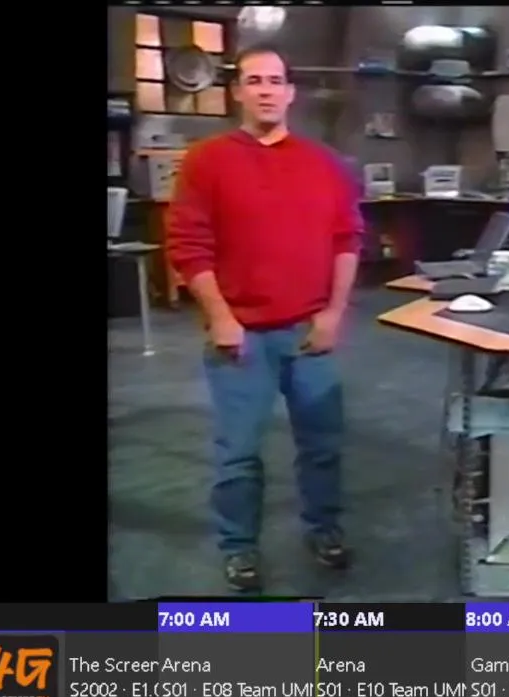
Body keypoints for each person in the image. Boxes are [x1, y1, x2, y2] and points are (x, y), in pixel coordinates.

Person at [166, 44, 362, 592]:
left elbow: (348, 240)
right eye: (254, 81)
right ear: (238, 91)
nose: (266, 91)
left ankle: (324, 530)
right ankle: (239, 548)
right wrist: (221, 317)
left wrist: (333, 314)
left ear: (291, 92)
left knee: (322, 447)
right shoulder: (206, 161)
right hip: (242, 337)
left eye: (275, 81)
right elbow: (188, 247)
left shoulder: (324, 164)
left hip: (308, 332)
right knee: (239, 455)